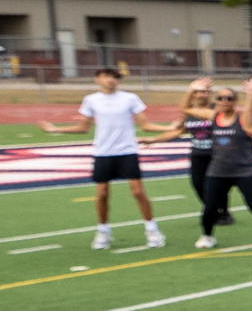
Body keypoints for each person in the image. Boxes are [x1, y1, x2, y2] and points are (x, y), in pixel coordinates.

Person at [53, 64, 167, 251]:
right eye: (106, 76)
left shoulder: (130, 98)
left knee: (138, 192)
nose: (110, 80)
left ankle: (152, 230)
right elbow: (83, 128)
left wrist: (170, 128)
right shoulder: (91, 100)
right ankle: (103, 231)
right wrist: (55, 129)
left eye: (114, 77)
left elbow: (145, 125)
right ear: (98, 79)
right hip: (103, 152)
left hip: (127, 151)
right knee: (102, 193)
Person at [184, 73, 252, 245]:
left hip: (244, 171)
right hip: (218, 171)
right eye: (220, 98)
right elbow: (185, 109)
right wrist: (191, 90)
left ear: (235, 101)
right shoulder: (213, 117)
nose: (224, 101)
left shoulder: (245, 119)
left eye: (229, 98)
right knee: (210, 208)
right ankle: (207, 236)